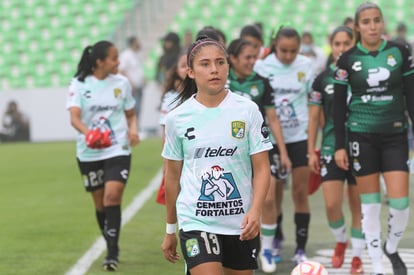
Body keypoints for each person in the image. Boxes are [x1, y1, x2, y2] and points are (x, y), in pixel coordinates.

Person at [161, 36, 272, 275]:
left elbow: (262, 168)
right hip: (196, 221)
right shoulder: (177, 118)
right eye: (205, 64)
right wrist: (171, 229)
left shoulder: (248, 110)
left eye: (220, 62)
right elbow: (171, 177)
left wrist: (255, 211)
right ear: (190, 72)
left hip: (240, 224)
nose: (214, 69)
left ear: (228, 67)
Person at [333, 2, 414, 275]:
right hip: (361, 136)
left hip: (394, 134)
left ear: (382, 22)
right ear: (358, 26)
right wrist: (339, 146)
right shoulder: (347, 59)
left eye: (376, 20)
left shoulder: (400, 52)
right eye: (366, 21)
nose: (372, 26)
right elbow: (338, 107)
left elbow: (411, 97)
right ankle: (377, 264)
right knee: (370, 205)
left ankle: (391, 247)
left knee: (401, 203)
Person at [66, 40, 140, 271]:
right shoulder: (79, 84)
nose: (118, 62)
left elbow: (130, 114)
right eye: (114, 58)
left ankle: (112, 251)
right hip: (89, 152)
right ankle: (110, 244)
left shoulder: (122, 83)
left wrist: (133, 129)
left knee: (112, 196)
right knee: (99, 204)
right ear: (100, 62)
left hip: (117, 148)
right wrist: (90, 135)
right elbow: (74, 118)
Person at [227, 38, 291, 273]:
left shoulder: (262, 83)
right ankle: (243, 246)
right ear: (232, 59)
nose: (253, 62)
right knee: (240, 200)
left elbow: (272, 118)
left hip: (261, 147)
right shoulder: (222, 83)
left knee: (270, 198)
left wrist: (283, 151)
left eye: (255, 57)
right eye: (247, 58)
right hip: (233, 152)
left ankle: (268, 249)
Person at [254, 25, 315, 265]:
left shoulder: (306, 66)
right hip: (271, 140)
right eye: (283, 50)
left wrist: (311, 139)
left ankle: (301, 248)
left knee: (300, 192)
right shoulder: (263, 66)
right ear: (275, 46)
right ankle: (276, 238)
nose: (288, 56)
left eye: (293, 51)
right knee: (273, 195)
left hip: (298, 137)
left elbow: (312, 103)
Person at [308, 26, 365, 274]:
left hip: (362, 147)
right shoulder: (322, 78)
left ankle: (358, 256)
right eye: (337, 43)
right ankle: (341, 240)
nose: (342, 48)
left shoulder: (362, 73)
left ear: (353, 44)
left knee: (358, 205)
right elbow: (314, 118)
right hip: (331, 147)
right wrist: (312, 150)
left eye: (346, 43)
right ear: (331, 45)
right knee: (332, 204)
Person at [156, 50, 188, 205]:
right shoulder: (170, 97)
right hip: (177, 154)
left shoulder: (203, 95)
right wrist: (166, 163)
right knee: (177, 198)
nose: (186, 69)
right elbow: (165, 134)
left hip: (194, 153)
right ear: (176, 70)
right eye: (183, 66)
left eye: (189, 65)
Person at [119, 36, 146, 119]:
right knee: (132, 109)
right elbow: (122, 70)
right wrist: (130, 83)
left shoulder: (137, 54)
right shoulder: (126, 55)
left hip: (138, 86)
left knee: (138, 109)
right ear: (133, 43)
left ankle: (137, 128)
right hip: (131, 88)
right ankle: (131, 128)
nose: (139, 44)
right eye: (137, 42)